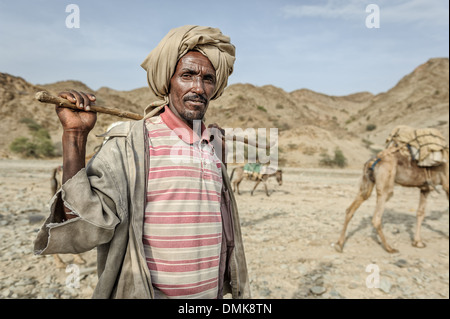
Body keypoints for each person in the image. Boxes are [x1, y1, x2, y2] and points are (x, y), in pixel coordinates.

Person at [34, 25, 250, 299]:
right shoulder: (130, 143)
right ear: (167, 82)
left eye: (208, 79)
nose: (198, 87)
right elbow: (87, 227)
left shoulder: (214, 145)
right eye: (187, 75)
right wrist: (75, 136)